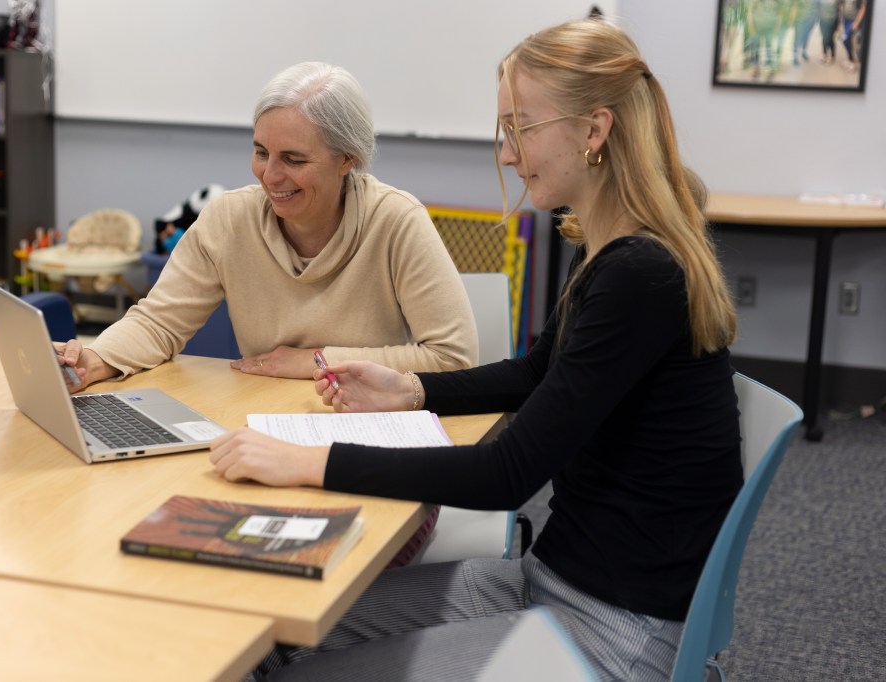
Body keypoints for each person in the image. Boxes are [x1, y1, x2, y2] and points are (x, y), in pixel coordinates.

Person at [209, 18, 742, 682]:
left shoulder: (640, 273)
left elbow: (506, 475)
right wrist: (412, 389)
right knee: (278, 630)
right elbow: (537, 372)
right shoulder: (609, 250)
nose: (509, 154)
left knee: (291, 669)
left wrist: (305, 462)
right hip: (550, 581)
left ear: (594, 131)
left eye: (521, 128)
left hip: (612, 627)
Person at [56, 61, 476, 390]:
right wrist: (96, 360)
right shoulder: (228, 219)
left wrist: (315, 360)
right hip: (262, 415)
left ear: (347, 159)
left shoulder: (397, 221)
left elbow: (453, 358)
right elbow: (159, 322)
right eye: (261, 152)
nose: (270, 176)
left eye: (293, 159)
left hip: (367, 424)